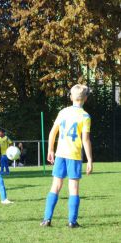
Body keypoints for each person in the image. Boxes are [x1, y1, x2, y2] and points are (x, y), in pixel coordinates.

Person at [40, 84, 93, 228]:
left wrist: (50, 149)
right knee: (73, 188)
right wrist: (89, 160)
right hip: (74, 156)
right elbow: (85, 139)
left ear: (70, 97)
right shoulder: (85, 116)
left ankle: (46, 219)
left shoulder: (63, 111)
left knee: (55, 186)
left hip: (60, 154)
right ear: (85, 99)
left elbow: (52, 132)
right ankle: (72, 222)